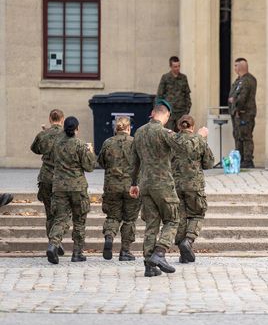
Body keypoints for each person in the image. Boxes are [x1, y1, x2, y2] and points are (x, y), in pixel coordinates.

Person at [129, 100, 207, 277]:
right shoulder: (164, 133)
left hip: (145, 185)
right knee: (173, 220)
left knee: (151, 225)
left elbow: (134, 162)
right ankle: (160, 252)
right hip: (163, 184)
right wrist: (200, 137)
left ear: (152, 113)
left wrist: (133, 184)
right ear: (165, 115)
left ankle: (149, 265)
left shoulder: (139, 132)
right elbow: (186, 147)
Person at [46, 116, 96, 264]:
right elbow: (90, 167)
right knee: (79, 220)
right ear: (77, 129)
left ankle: (53, 244)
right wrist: (90, 151)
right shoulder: (80, 145)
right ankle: (77, 253)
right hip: (77, 187)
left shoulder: (56, 144)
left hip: (59, 187)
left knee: (60, 218)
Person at [172, 115, 215, 263]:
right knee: (197, 215)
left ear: (179, 126)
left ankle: (183, 253)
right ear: (192, 127)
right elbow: (209, 163)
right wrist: (201, 139)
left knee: (180, 218)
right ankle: (188, 241)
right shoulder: (199, 140)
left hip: (175, 185)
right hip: (194, 186)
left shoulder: (172, 140)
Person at [97, 116, 140, 261]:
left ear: (116, 128)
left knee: (113, 216)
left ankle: (109, 237)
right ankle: (125, 251)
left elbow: (101, 162)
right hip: (131, 186)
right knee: (129, 219)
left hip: (112, 186)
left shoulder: (108, 143)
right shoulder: (135, 143)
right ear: (129, 128)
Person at [30, 109, 65, 252]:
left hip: (45, 177)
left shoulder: (43, 135)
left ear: (50, 119)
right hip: (62, 178)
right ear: (62, 119)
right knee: (61, 213)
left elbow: (35, 149)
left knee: (50, 213)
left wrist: (45, 133)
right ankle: (56, 241)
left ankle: (52, 241)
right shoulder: (66, 134)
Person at [228, 57, 257, 168]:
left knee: (245, 136)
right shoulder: (239, 80)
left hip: (244, 113)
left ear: (240, 67)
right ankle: (239, 160)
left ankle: (247, 160)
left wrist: (234, 102)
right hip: (238, 113)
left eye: (236, 65)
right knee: (238, 136)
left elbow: (242, 98)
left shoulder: (247, 80)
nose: (234, 68)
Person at [157, 56, 192, 131]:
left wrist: (187, 110)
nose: (177, 68)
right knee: (169, 134)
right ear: (170, 66)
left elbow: (187, 95)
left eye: (179, 66)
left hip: (181, 113)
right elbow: (160, 96)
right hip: (169, 113)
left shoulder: (183, 78)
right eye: (175, 66)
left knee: (181, 134)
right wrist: (160, 111)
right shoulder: (165, 78)